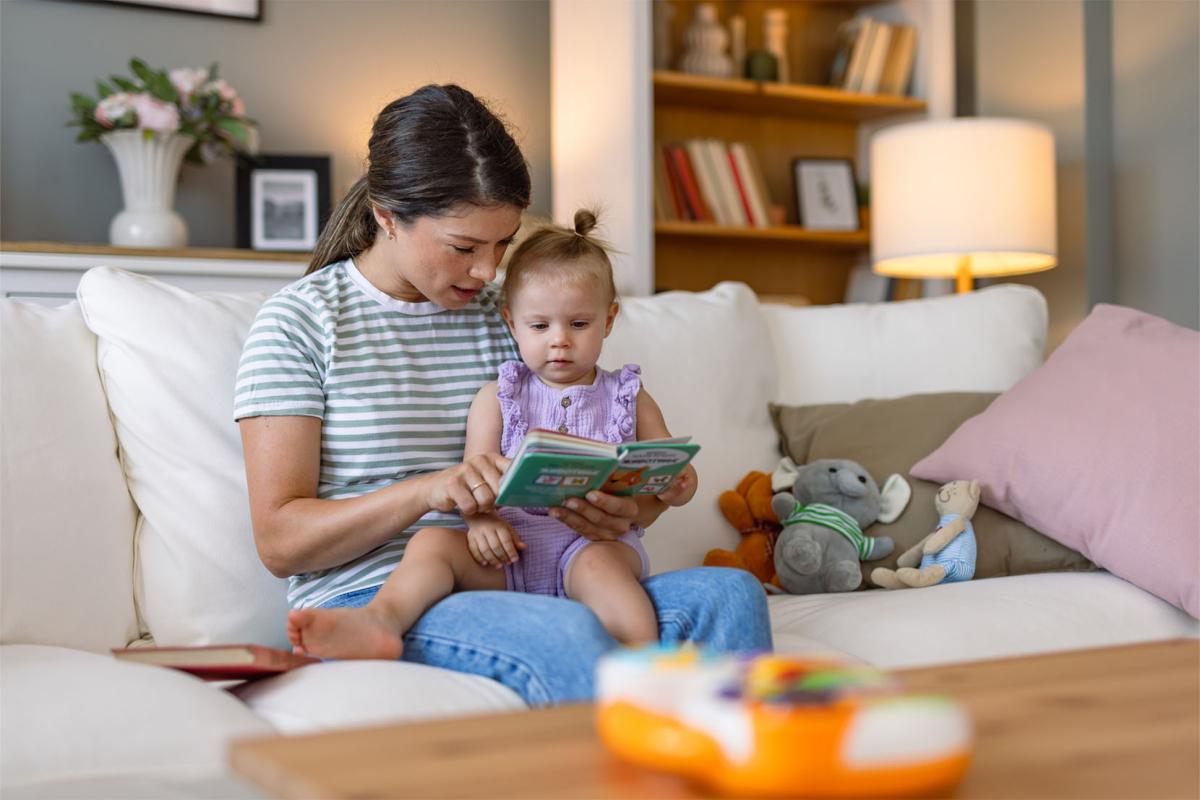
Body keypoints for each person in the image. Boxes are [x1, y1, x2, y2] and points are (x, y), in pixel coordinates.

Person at [234, 83, 772, 705]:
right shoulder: (299, 324)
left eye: (502, 244)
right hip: (386, 593)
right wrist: (428, 490)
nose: (488, 272)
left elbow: (610, 465)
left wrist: (627, 509)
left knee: (730, 595)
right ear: (386, 215)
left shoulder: (520, 315)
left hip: (545, 570)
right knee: (567, 636)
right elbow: (280, 541)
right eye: (464, 247)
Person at [286, 208, 692, 659]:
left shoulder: (628, 395)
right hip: (511, 550)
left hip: (591, 548)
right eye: (540, 326)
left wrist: (674, 487)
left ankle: (639, 663)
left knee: (634, 573)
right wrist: (480, 523)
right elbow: (474, 476)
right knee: (432, 543)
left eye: (579, 324)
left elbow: (664, 469)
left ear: (608, 320)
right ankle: (381, 617)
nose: (559, 340)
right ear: (511, 323)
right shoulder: (498, 397)